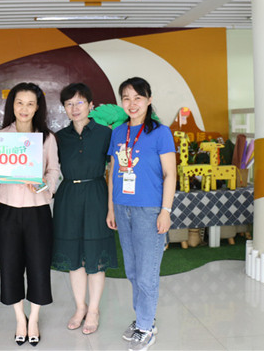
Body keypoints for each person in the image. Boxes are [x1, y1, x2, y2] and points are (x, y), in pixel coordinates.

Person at [106, 77, 176, 351]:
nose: (132, 103)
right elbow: (113, 171)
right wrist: (111, 207)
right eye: (126, 98)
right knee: (133, 271)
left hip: (149, 210)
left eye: (138, 97)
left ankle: (146, 327)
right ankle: (143, 319)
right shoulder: (118, 132)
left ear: (149, 99)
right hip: (122, 208)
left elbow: (170, 174)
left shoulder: (161, 132)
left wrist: (165, 211)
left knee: (147, 273)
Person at [0, 82, 60, 347]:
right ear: (12, 105)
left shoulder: (47, 138)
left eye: (30, 103)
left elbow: (54, 171)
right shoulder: (0, 138)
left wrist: (42, 184)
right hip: (8, 211)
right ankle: (20, 318)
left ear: (37, 107)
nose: (24, 108)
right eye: (20, 103)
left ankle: (34, 319)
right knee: (10, 265)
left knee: (39, 266)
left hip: (38, 211)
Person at [52, 83, 118, 335]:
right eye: (69, 104)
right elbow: (49, 168)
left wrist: (111, 208)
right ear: (64, 108)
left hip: (96, 194)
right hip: (68, 196)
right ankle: (80, 307)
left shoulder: (105, 134)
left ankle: (94, 310)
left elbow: (114, 172)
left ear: (91, 105)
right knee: (74, 257)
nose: (74, 108)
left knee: (95, 257)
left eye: (79, 102)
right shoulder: (59, 137)